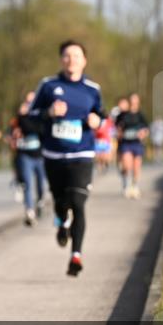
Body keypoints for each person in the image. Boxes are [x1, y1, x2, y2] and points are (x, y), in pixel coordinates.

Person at [27, 40, 104, 277]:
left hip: (82, 153)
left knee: (78, 202)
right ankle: (62, 220)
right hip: (54, 155)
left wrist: (96, 121)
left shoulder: (92, 88)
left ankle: (76, 256)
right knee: (61, 201)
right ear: (61, 60)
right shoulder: (48, 85)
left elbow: (100, 114)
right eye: (67, 56)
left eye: (77, 56)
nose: (72, 60)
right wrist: (49, 113)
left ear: (84, 60)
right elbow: (30, 117)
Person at [12, 91, 46, 226]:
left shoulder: (42, 115)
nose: (29, 104)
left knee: (41, 184)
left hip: (40, 156)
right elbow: (19, 129)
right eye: (27, 101)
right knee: (27, 183)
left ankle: (40, 201)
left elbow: (41, 130)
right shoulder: (20, 117)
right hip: (25, 155)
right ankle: (29, 211)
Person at [116, 92, 149, 199]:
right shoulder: (123, 114)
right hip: (126, 143)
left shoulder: (141, 115)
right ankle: (126, 183)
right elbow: (116, 127)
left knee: (136, 167)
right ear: (129, 101)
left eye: (136, 100)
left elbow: (146, 129)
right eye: (132, 100)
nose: (133, 102)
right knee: (127, 165)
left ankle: (134, 186)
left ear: (138, 102)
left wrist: (143, 133)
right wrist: (119, 133)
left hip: (137, 143)